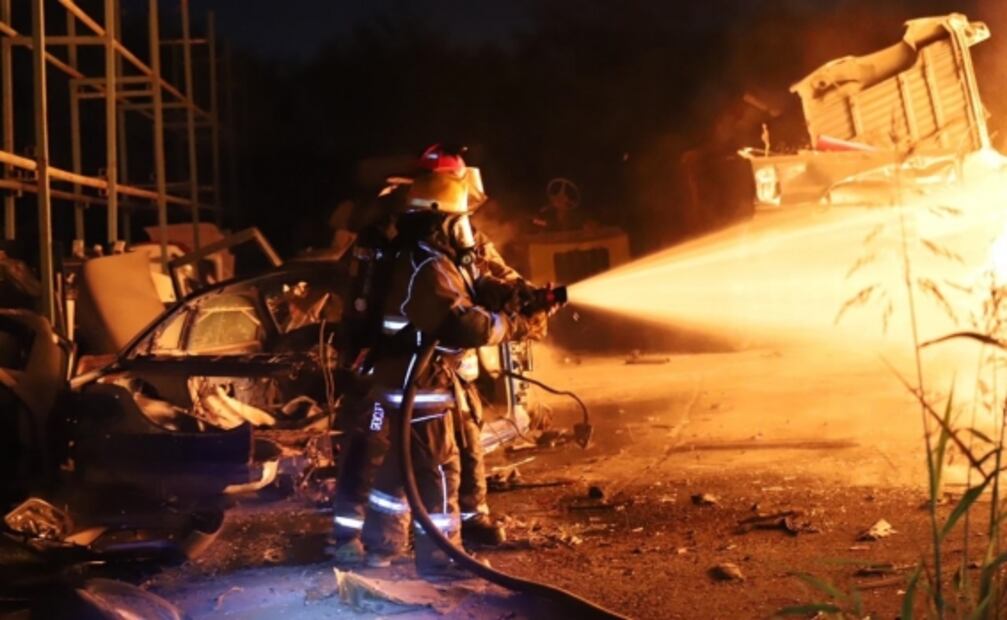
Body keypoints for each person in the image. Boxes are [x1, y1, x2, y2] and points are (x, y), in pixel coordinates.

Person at [329, 146, 527, 563]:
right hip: (420, 382)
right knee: (435, 465)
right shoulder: (426, 259)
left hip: (391, 379)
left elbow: (487, 277)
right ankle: (440, 557)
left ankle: (379, 546)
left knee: (388, 465)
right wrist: (511, 321)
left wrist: (516, 296)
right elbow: (459, 320)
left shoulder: (402, 244)